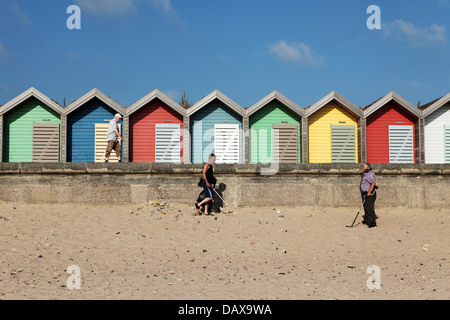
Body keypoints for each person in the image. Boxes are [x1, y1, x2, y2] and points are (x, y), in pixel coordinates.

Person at [360, 162, 377, 228]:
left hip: (370, 194)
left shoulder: (370, 174)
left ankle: (372, 223)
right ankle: (367, 220)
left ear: (367, 168)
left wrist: (369, 192)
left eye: (363, 167)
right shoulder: (366, 174)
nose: (362, 168)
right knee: (366, 207)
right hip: (365, 193)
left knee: (369, 208)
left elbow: (373, 184)